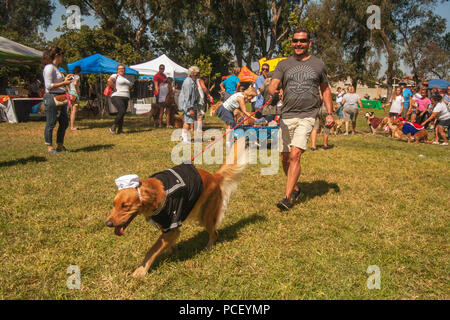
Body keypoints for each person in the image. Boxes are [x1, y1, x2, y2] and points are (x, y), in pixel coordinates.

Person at [267, 27, 334, 211]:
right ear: (292, 43)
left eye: (302, 41)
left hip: (308, 114)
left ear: (309, 43)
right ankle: (295, 187)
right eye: (295, 40)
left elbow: (325, 89)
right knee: (285, 158)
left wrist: (330, 112)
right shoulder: (284, 64)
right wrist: (272, 93)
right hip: (287, 115)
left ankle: (287, 198)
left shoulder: (318, 64)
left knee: (295, 153)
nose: (298, 44)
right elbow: (273, 84)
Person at [42, 47, 73, 155]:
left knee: (64, 122)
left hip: (61, 97)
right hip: (52, 96)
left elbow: (57, 82)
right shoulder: (49, 68)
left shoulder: (56, 68)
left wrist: (65, 80)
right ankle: (50, 147)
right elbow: (49, 86)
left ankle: (60, 145)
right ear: (57, 55)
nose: (62, 58)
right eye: (61, 55)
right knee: (51, 122)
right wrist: (64, 83)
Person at [107, 64, 133, 134]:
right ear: (117, 70)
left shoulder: (127, 77)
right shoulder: (115, 75)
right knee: (122, 111)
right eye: (119, 68)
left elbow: (130, 86)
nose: (121, 70)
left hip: (126, 97)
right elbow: (109, 81)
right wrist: (114, 88)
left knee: (122, 113)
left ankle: (120, 130)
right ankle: (113, 126)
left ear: (124, 70)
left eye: (123, 68)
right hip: (117, 96)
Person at [178, 66, 201, 143]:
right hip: (188, 105)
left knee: (187, 121)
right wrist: (190, 108)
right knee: (188, 121)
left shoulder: (192, 81)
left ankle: (183, 137)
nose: (198, 73)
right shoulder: (188, 82)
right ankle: (185, 139)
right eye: (196, 72)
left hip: (190, 104)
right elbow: (187, 97)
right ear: (192, 73)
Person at [68, 66, 81, 130]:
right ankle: (72, 126)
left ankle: (71, 125)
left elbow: (66, 83)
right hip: (75, 94)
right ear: (79, 71)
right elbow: (75, 83)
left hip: (70, 93)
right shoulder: (77, 76)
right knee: (74, 111)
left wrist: (69, 91)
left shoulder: (72, 76)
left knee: (72, 110)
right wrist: (76, 90)